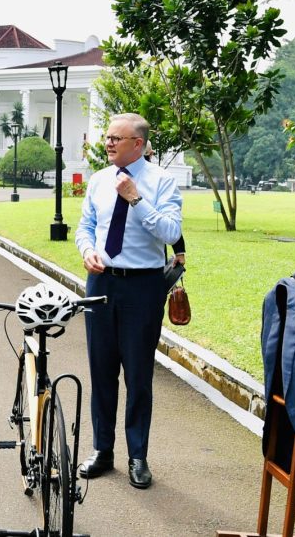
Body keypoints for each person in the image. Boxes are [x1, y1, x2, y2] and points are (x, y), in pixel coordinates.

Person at [75, 113, 183, 490]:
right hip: (101, 283)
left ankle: (138, 455)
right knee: (101, 371)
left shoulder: (162, 183)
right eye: (107, 137)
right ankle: (102, 451)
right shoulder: (98, 180)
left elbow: (171, 232)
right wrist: (87, 249)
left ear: (137, 144)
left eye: (116, 138)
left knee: (138, 376)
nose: (107, 143)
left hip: (142, 287)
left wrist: (136, 200)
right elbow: (86, 225)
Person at [143, 142, 186, 267]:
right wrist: (179, 252)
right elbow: (169, 219)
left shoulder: (160, 179)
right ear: (151, 154)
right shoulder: (160, 180)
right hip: (154, 255)